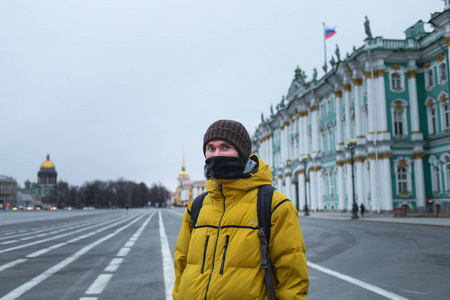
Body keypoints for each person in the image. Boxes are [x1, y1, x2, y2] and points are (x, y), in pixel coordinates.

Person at [173, 119, 309, 299]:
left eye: (225, 147)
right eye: (211, 148)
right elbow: (181, 268)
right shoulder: (196, 207)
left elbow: (292, 281)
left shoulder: (274, 205)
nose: (217, 154)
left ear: (242, 152)